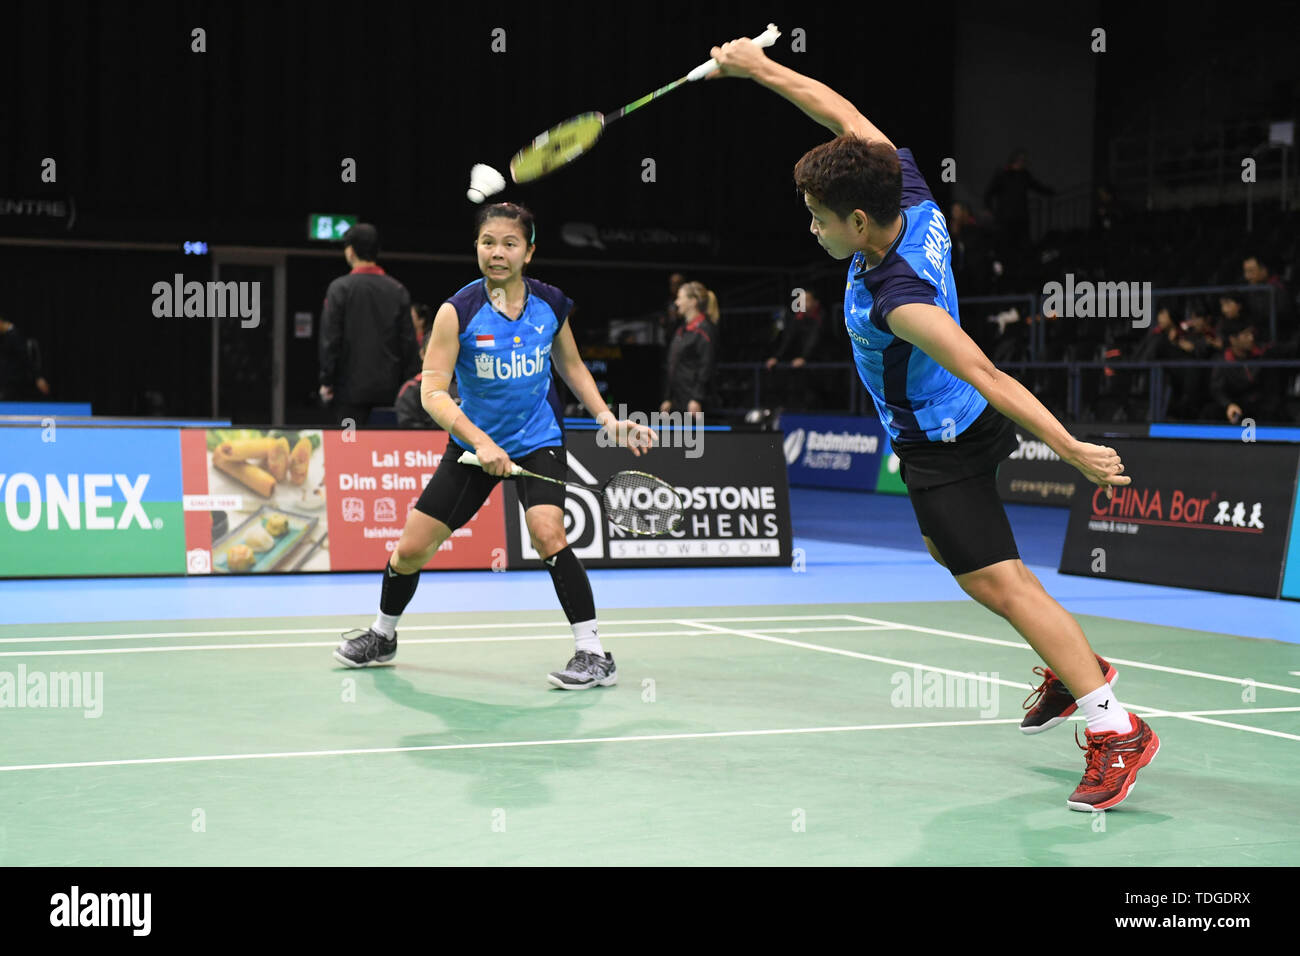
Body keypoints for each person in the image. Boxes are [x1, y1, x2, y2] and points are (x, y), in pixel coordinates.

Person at [709, 36, 1158, 812]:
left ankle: (1115, 727)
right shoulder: (906, 190)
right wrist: (758, 69)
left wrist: (1072, 449)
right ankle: (1066, 662)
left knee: (1001, 581)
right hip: (955, 427)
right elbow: (839, 112)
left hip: (943, 438)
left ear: (856, 219)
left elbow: (985, 369)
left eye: (817, 220)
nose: (810, 231)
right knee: (955, 557)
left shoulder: (899, 297)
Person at [334, 202, 656, 688]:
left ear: (529, 251)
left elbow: (571, 366)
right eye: (488, 243)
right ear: (477, 248)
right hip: (472, 446)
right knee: (409, 552)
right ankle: (383, 635)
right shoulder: (456, 311)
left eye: (509, 244)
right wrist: (482, 443)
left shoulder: (550, 304)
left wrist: (607, 417)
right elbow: (433, 392)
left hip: (537, 439)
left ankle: (593, 653)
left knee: (548, 533)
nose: (498, 253)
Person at [318, 223, 419, 426]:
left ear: (350, 251)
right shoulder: (397, 290)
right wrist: (408, 387)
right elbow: (408, 343)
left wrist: (327, 381)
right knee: (382, 454)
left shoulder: (339, 289)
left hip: (348, 393)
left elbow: (330, 341)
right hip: (390, 393)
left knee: (349, 451)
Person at [661, 280, 719, 415]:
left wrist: (696, 398)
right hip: (678, 402)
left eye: (680, 298)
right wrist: (668, 397)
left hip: (695, 405)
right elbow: (673, 365)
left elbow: (706, 366)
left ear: (693, 302)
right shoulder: (681, 330)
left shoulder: (705, 330)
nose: (676, 303)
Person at [0, 316, 51, 401]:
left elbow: (25, 358)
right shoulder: (5, 336)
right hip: (7, 381)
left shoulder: (14, 336)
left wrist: (38, 377)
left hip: (14, 382)